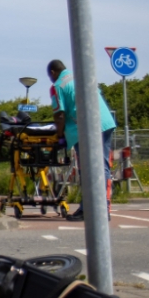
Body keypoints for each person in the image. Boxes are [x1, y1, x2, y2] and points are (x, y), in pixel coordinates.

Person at [47, 59, 117, 221]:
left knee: (86, 170)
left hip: (85, 129)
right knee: (103, 166)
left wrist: (59, 135)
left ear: (53, 73)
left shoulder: (58, 86)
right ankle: (103, 208)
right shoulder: (81, 76)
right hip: (105, 122)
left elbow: (59, 114)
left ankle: (91, 209)